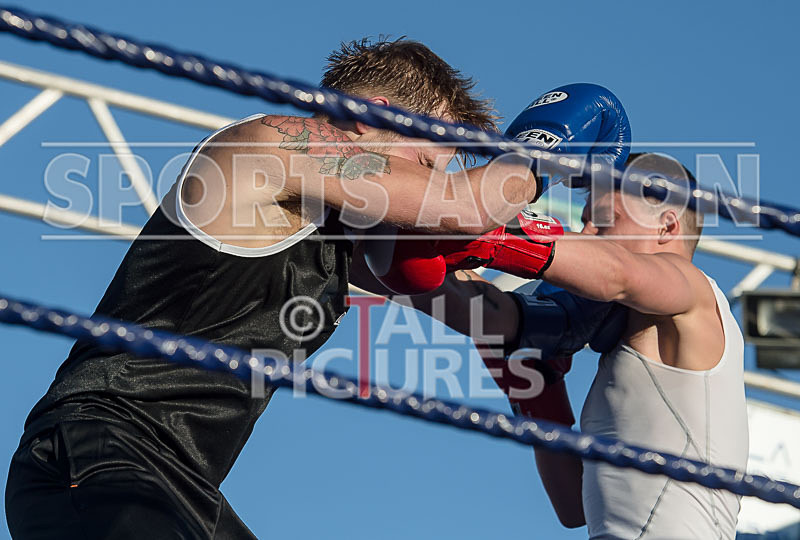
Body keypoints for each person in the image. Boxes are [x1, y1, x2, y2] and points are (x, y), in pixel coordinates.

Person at [5, 38, 627, 538]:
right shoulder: (270, 146)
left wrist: (544, 324)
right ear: (370, 115)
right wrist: (539, 151)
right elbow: (463, 208)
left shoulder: (339, 233)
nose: (428, 183)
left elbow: (463, 302)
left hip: (186, 484)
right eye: (432, 160)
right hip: (102, 450)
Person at [403, 153, 749, 539]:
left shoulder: (694, 292)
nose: (585, 234)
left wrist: (472, 219)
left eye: (601, 222)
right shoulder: (628, 347)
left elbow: (618, 274)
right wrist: (541, 398)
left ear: (667, 227)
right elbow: (573, 507)